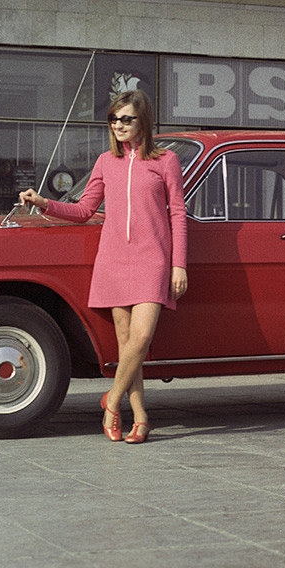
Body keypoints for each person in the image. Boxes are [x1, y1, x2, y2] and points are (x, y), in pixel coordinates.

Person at [19, 91, 187, 444]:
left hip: (153, 259)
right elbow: (83, 211)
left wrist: (178, 265)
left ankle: (111, 401)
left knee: (141, 338)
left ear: (144, 121)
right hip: (113, 260)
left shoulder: (166, 160)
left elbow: (178, 214)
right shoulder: (105, 162)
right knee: (127, 344)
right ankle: (140, 417)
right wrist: (43, 203)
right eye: (114, 119)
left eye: (127, 119)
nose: (119, 125)